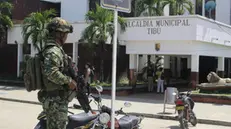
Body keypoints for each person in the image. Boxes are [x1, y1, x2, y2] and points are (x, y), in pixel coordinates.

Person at [39, 17, 77, 129]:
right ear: (59, 34)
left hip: (55, 101)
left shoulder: (53, 49)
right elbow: (51, 72)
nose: (66, 37)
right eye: (65, 34)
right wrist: (69, 81)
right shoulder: (53, 51)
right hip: (56, 102)